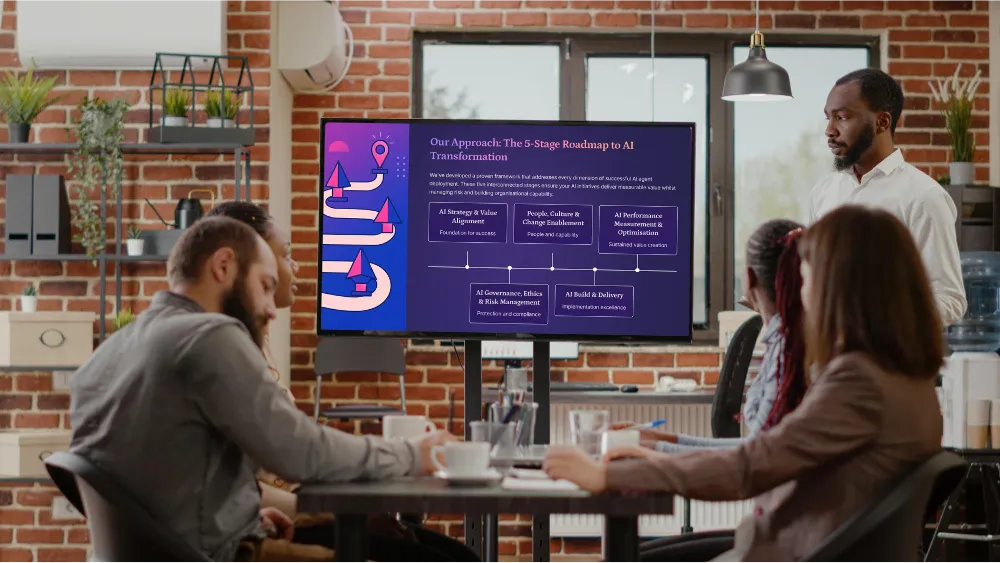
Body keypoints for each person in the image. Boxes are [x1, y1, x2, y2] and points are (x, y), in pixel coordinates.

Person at [545, 205, 944, 563]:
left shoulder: (858, 382)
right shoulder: (911, 380)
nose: (802, 295)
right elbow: (771, 453)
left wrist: (605, 477)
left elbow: (750, 466)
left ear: (841, 288)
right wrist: (661, 454)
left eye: (807, 280)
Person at [69, 216, 454, 563]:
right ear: (223, 266)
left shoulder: (104, 358)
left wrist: (241, 516)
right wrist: (414, 455)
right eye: (265, 286)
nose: (271, 308)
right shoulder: (208, 335)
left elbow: (159, 482)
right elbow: (302, 453)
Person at [206, 202, 481, 563]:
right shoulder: (221, 354)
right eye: (285, 256)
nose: (295, 267)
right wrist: (348, 507)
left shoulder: (245, 345)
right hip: (288, 518)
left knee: (453, 553)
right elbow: (299, 453)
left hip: (282, 511)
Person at [615, 220, 807, 458]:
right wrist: (655, 439)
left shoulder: (787, 350)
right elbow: (756, 448)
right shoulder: (788, 340)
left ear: (749, 278)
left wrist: (653, 450)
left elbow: (756, 459)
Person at [811, 67, 966, 327]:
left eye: (842, 117)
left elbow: (950, 300)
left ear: (882, 122)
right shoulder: (824, 191)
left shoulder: (924, 196)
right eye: (828, 118)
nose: (829, 130)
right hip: (828, 359)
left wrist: (879, 323)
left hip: (889, 363)